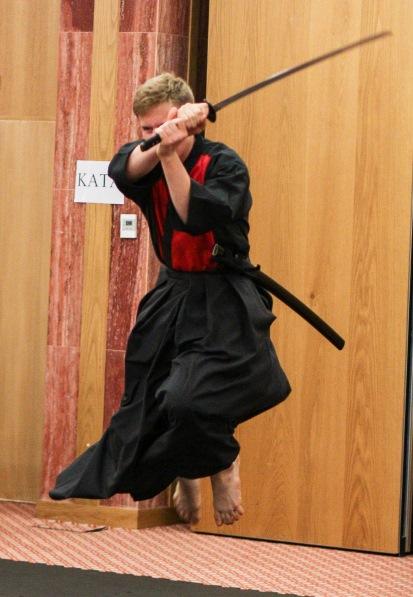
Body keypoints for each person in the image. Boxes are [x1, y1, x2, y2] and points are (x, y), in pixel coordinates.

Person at [50, 73, 291, 526]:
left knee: (189, 400)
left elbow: (192, 213)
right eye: (146, 129)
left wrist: (169, 148)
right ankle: (186, 468)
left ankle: (220, 463)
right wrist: (160, 142)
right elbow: (122, 170)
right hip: (171, 294)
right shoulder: (143, 156)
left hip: (223, 297)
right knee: (147, 403)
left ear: (191, 122)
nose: (155, 136)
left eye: (165, 125)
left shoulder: (225, 165)